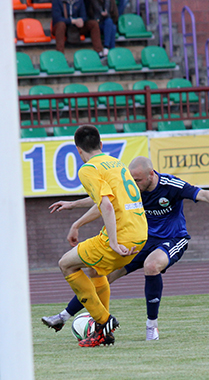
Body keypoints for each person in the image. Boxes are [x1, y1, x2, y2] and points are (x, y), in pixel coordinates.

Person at [43, 157, 209, 341]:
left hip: (171, 239)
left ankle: (152, 325)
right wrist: (72, 205)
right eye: (132, 179)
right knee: (100, 276)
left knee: (151, 266)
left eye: (138, 180)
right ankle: (64, 316)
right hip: (142, 240)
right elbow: (103, 201)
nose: (134, 184)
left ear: (151, 174)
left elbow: (202, 193)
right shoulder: (131, 187)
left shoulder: (170, 185)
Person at [50, 125, 147, 347]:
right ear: (101, 145)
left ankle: (104, 321)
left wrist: (113, 242)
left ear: (78, 150)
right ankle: (104, 335)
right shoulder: (116, 164)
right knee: (94, 270)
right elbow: (107, 201)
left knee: (66, 264)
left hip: (121, 236)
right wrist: (75, 214)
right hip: (140, 233)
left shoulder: (88, 169)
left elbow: (106, 206)